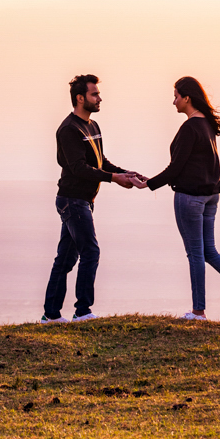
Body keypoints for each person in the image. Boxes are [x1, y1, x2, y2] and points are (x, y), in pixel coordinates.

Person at [137, 76, 220, 325]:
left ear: (187, 98)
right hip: (210, 196)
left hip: (191, 198)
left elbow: (175, 169)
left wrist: (148, 183)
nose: (173, 101)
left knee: (195, 254)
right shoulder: (206, 124)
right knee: (209, 252)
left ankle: (198, 312)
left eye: (176, 96)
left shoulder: (190, 128)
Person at [41, 74, 142, 324]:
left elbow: (100, 162)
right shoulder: (69, 129)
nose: (99, 98)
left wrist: (123, 174)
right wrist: (113, 178)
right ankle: (83, 311)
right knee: (91, 252)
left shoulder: (92, 126)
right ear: (80, 98)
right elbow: (78, 168)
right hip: (72, 200)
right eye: (94, 94)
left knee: (65, 259)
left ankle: (50, 315)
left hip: (83, 200)